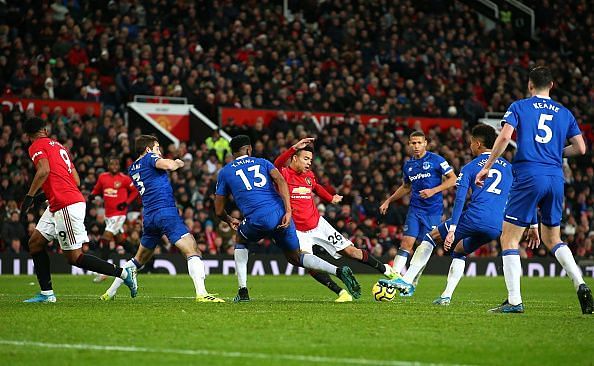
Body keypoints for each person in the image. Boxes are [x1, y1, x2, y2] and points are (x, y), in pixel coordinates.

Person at [475, 66, 592, 314]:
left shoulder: (519, 106)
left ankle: (515, 301)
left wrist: (487, 166)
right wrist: (556, 153)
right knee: (553, 239)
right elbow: (581, 148)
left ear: (530, 85)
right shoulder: (565, 112)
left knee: (509, 238)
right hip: (555, 177)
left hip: (529, 174)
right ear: (551, 85)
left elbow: (505, 137)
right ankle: (580, 284)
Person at [214, 135, 361, 302]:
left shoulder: (225, 172)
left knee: (241, 239)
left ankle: (243, 291)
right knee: (296, 257)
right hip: (281, 214)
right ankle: (338, 270)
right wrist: (288, 211)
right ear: (249, 149)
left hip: (258, 218)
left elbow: (218, 210)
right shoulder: (263, 162)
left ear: (233, 153)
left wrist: (228, 219)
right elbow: (281, 182)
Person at [379, 125, 514, 302]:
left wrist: (452, 229)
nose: (470, 146)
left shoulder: (470, 167)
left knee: (430, 238)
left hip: (474, 217)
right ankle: (446, 296)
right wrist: (532, 223)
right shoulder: (510, 168)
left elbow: (459, 200)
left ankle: (406, 280)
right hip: (496, 225)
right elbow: (523, 197)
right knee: (459, 250)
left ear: (478, 143)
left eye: (471, 143)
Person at [21, 117, 137, 303]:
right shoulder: (59, 146)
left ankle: (123, 273)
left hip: (65, 204)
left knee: (74, 257)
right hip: (60, 202)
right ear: (45, 129)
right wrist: (46, 195)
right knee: (35, 243)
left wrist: (29, 197)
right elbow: (76, 180)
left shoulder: (36, 145)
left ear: (28, 135)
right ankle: (46, 294)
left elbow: (43, 171)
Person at [269, 137, 396, 302]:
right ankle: (341, 293)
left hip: (318, 224)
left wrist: (330, 198)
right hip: (298, 230)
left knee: (352, 252)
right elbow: (276, 164)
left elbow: (316, 187)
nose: (309, 163)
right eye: (305, 159)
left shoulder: (309, 175)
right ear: (294, 158)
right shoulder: (283, 174)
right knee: (310, 263)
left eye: (311, 160)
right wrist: (294, 147)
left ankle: (386, 269)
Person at [100, 135, 224, 302]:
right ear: (148, 149)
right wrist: (178, 163)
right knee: (192, 249)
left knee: (138, 259)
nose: (159, 152)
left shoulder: (132, 168)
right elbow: (168, 165)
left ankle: (110, 293)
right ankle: (202, 294)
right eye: (157, 148)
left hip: (149, 216)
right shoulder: (150, 157)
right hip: (165, 211)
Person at [379, 131, 456, 294]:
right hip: (415, 209)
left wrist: (434, 190)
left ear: (425, 143)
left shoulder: (437, 160)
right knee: (406, 243)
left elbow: (453, 179)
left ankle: (412, 282)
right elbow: (406, 187)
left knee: (423, 247)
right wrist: (388, 200)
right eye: (413, 143)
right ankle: (394, 277)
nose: (416, 146)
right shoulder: (408, 165)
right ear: (409, 144)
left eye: (419, 143)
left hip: (433, 211)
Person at [89, 157, 138, 283]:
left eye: (116, 163)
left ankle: (103, 271)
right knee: (120, 239)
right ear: (108, 165)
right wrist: (93, 195)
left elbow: (135, 191)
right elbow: (97, 189)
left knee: (105, 239)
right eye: (112, 163)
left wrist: (126, 203)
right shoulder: (102, 177)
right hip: (108, 215)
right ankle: (140, 259)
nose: (114, 165)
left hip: (119, 214)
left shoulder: (124, 178)